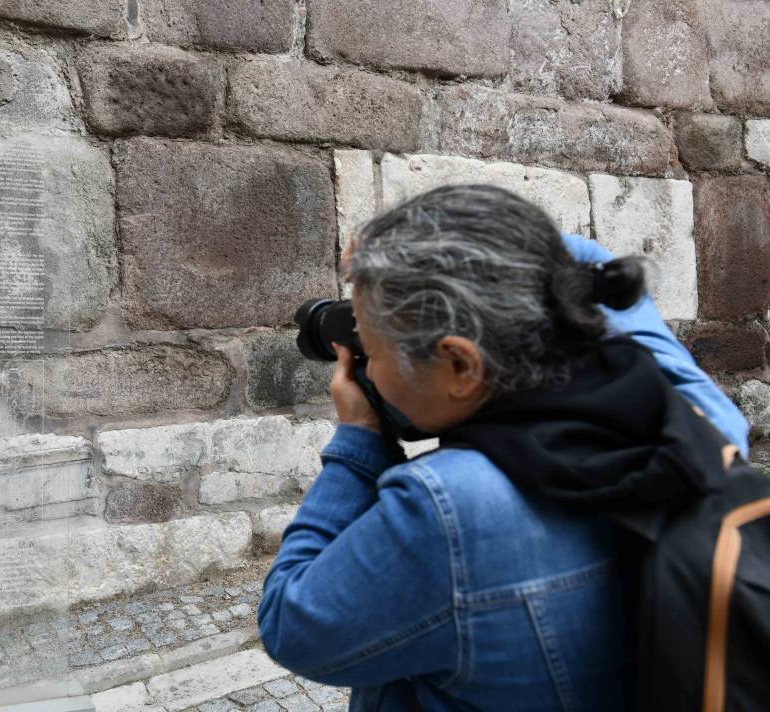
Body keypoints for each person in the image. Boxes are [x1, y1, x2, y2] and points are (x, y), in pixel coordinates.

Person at [256, 185, 751, 711]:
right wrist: (408, 247)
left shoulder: (447, 508)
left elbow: (292, 626)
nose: (366, 370)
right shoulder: (692, 416)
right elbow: (586, 263)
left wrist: (358, 438)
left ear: (462, 366)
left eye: (373, 352)